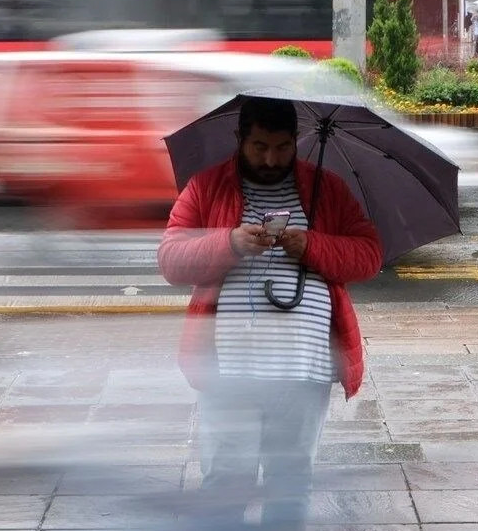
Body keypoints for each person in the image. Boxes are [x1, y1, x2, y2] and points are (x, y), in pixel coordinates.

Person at [158, 98, 382, 530]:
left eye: (282, 147)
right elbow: (171, 259)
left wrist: (313, 245)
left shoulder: (327, 189)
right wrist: (229, 244)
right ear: (240, 138)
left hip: (304, 370)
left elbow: (369, 255)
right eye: (259, 145)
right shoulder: (207, 187)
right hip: (228, 371)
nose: (270, 158)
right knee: (226, 480)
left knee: (291, 482)